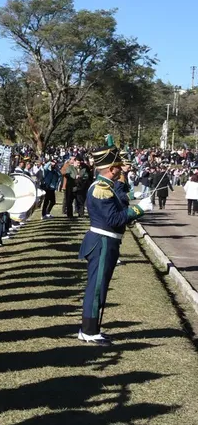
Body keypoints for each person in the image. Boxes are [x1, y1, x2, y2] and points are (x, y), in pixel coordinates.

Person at [78, 144, 152, 345]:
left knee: (100, 286)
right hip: (102, 242)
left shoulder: (107, 187)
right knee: (97, 288)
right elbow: (113, 219)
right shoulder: (101, 189)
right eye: (118, 166)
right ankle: (89, 331)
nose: (121, 169)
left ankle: (92, 329)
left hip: (107, 242)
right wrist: (139, 210)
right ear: (111, 169)